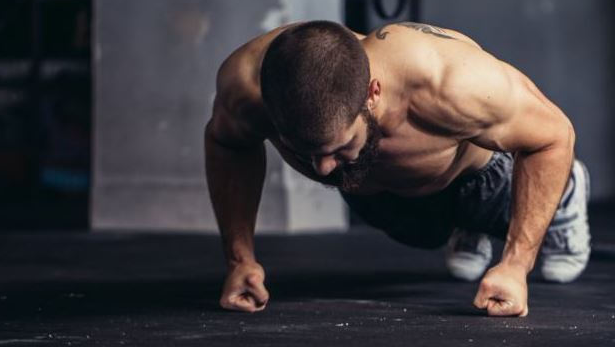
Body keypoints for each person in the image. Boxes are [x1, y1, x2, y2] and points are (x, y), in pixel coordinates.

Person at [205, 20, 591, 317]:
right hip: (385, 198)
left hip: (479, 183)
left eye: (338, 149)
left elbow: (553, 135)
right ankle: (463, 229)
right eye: (304, 152)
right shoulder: (246, 86)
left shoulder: (450, 81)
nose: (322, 170)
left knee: (498, 202)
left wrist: (515, 266)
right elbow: (228, 144)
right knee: (419, 235)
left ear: (372, 94)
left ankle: (568, 190)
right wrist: (240, 260)